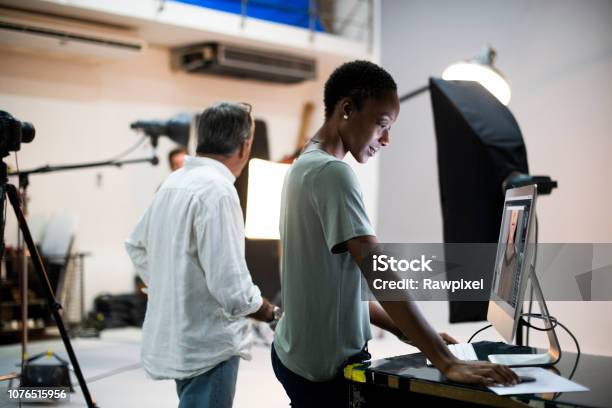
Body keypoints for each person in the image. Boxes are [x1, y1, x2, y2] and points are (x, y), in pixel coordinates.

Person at [271, 60, 519, 406]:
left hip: (293, 357)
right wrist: (445, 360)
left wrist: (414, 334)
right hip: (324, 372)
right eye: (381, 124)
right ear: (346, 109)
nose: (386, 139)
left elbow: (333, 290)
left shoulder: (303, 166)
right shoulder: (332, 174)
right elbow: (378, 270)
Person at [125, 102, 280, 408]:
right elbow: (232, 289)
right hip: (210, 346)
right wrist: (272, 314)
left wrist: (174, 289)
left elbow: (136, 245)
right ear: (245, 145)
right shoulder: (219, 191)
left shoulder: (175, 182)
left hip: (183, 339)